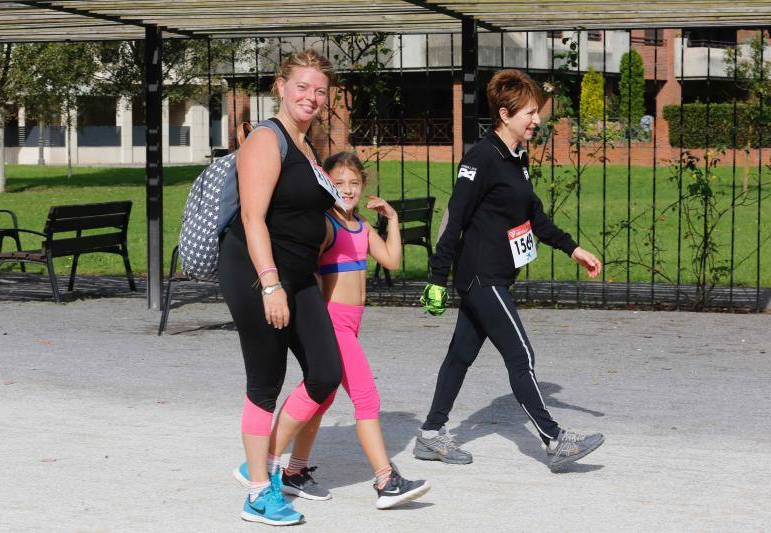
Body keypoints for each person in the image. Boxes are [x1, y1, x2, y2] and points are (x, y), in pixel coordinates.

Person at [415, 69, 605, 472]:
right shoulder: (481, 158)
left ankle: (430, 434)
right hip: (482, 277)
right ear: (505, 114)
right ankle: (554, 440)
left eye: (537, 112)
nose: (537, 120)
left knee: (460, 356)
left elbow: (534, 216)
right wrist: (436, 278)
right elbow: (455, 219)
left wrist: (573, 249)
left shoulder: (516, 158)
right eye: (530, 113)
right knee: (521, 355)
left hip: (496, 276)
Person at [235, 152, 430, 509]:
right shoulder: (327, 225)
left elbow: (392, 260)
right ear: (326, 184)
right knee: (367, 398)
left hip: (352, 324)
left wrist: (394, 220)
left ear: (363, 186)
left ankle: (292, 471)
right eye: (338, 183)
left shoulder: (362, 227)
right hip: (334, 322)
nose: (348, 189)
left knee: (320, 400)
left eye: (354, 183)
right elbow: (300, 259)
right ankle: (386, 480)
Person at [218, 49, 347, 526]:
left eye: (319, 90)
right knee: (266, 381)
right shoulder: (265, 141)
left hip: (298, 275)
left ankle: (262, 461)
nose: (311, 97)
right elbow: (253, 218)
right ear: (280, 85)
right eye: (302, 87)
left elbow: (307, 210)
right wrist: (271, 285)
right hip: (258, 273)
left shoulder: (306, 144)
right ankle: (257, 492)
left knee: (325, 372)